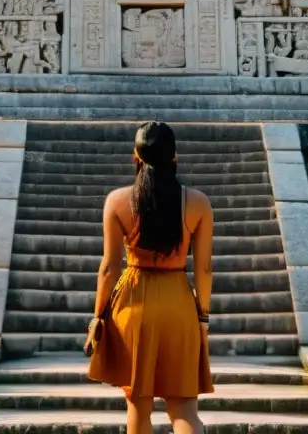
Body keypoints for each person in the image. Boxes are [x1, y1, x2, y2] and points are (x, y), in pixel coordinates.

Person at [87, 121, 215, 434]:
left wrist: (97, 316)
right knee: (184, 409)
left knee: (138, 408)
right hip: (179, 303)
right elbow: (204, 269)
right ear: (175, 155)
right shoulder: (198, 202)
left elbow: (109, 267)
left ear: (136, 156)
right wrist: (203, 316)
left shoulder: (117, 201)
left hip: (132, 303)